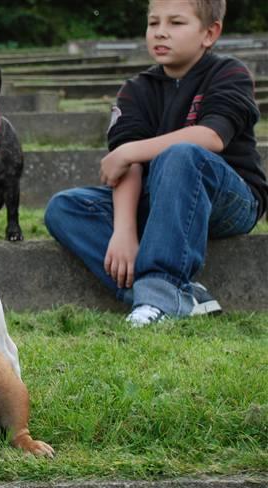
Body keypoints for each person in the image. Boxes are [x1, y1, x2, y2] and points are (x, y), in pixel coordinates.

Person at [44, 0, 268, 326]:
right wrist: (123, 231)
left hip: (229, 200)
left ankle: (161, 295)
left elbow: (212, 137)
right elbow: (127, 167)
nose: (161, 33)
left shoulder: (229, 72)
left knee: (180, 154)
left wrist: (131, 151)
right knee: (64, 208)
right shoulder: (136, 89)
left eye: (176, 23)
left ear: (210, 33)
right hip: (158, 200)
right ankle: (172, 292)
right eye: (153, 23)